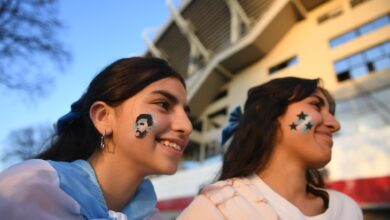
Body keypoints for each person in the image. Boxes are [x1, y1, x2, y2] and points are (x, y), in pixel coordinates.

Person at [0, 57, 192, 219]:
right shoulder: (28, 191)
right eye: (163, 104)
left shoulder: (150, 215)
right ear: (103, 117)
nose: (187, 126)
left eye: (187, 113)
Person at [178, 77, 363, 219]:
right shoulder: (218, 208)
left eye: (331, 113)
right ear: (269, 114)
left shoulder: (347, 209)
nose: (335, 124)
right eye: (315, 105)